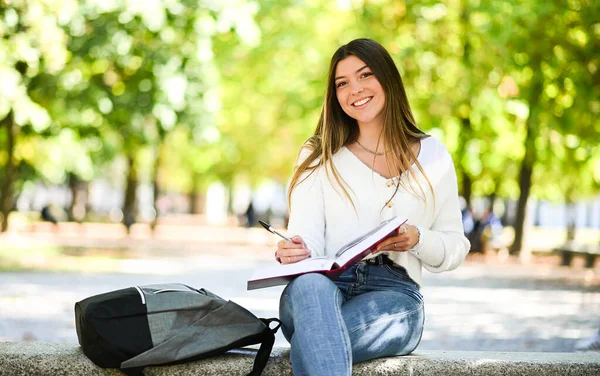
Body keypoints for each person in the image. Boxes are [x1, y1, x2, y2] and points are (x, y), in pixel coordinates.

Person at [274, 38, 470, 375]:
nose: (355, 89)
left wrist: (417, 238)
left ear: (387, 79)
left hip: (394, 296)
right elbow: (308, 239)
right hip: (320, 290)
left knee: (317, 340)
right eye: (342, 83)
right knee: (309, 288)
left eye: (365, 76)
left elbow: (455, 246)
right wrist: (296, 250)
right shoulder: (317, 155)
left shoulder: (433, 154)